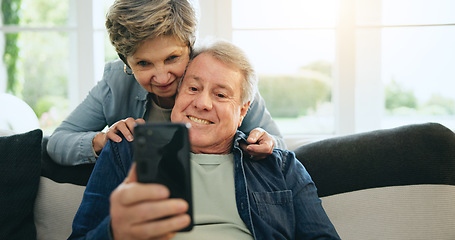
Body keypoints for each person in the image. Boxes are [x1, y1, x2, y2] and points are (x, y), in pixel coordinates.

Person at [68, 40, 340, 240]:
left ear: (243, 110)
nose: (202, 103)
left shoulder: (280, 166)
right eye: (193, 88)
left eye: (221, 95)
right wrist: (114, 231)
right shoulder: (126, 150)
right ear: (178, 94)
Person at [47, 0, 285, 166]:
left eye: (172, 58)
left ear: (190, 46)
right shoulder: (115, 83)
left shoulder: (223, 75)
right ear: (126, 61)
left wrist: (265, 144)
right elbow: (57, 143)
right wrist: (101, 141)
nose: (161, 78)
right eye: (143, 64)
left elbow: (279, 145)